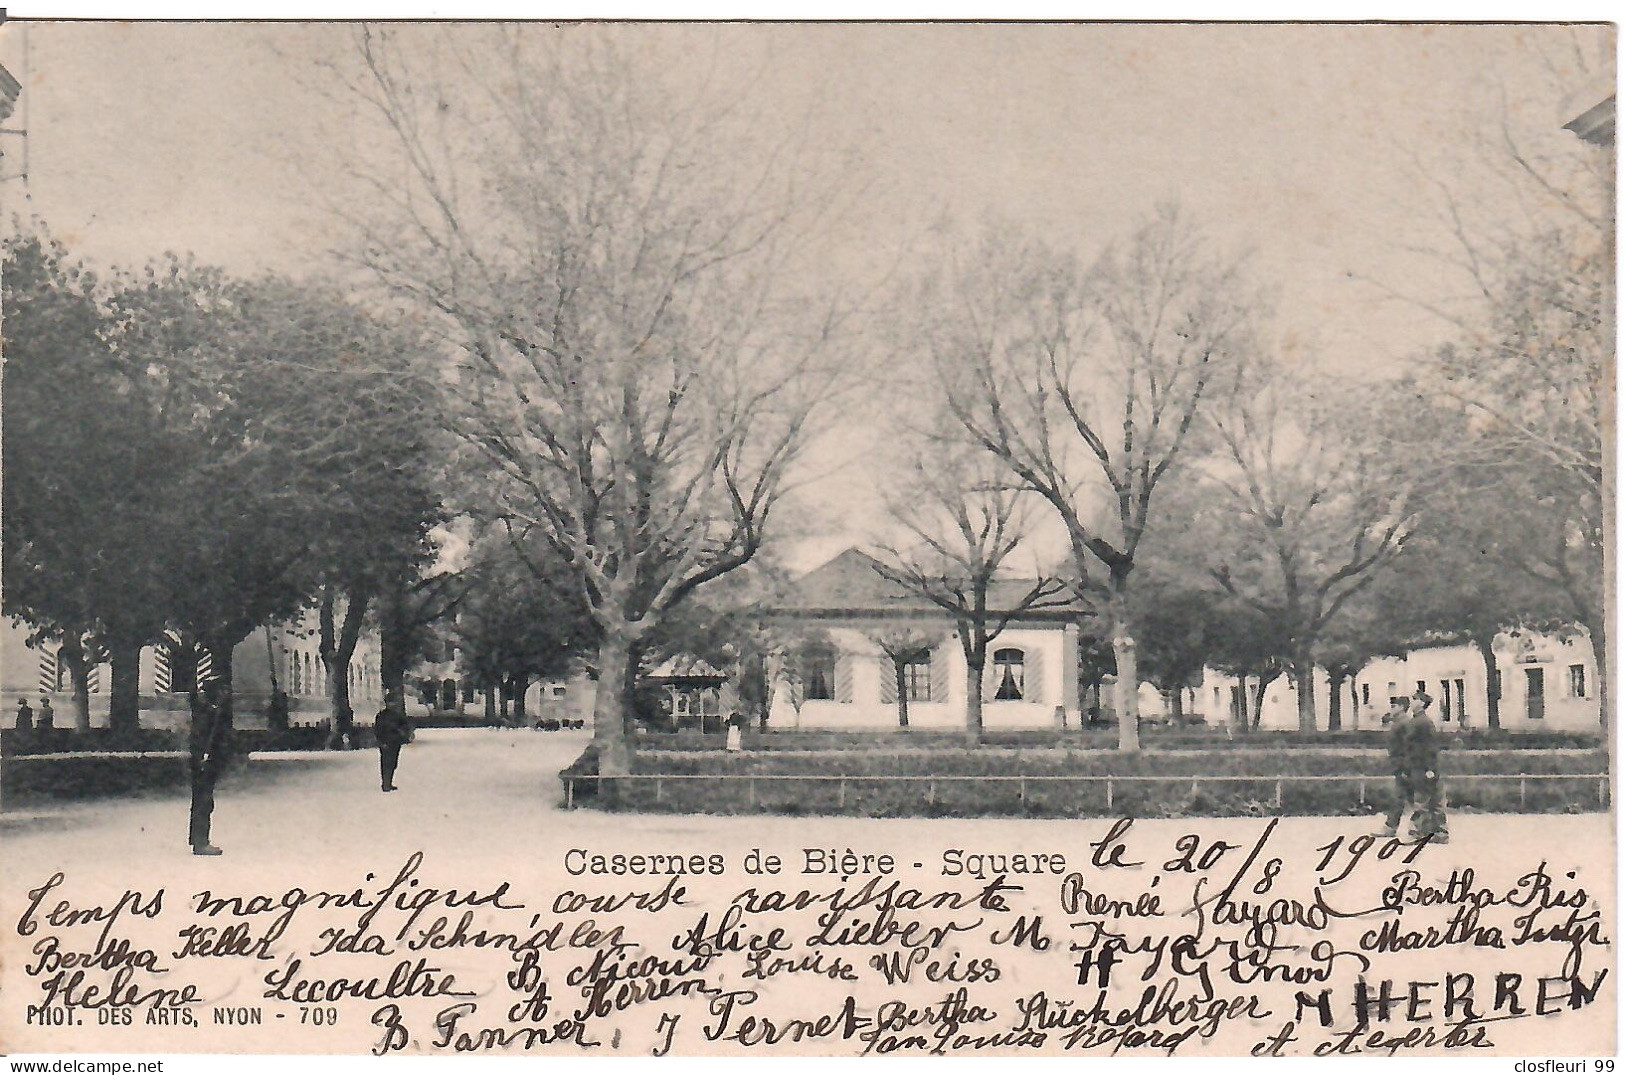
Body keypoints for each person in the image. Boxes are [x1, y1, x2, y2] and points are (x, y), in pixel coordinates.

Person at [1378, 694, 1449, 844]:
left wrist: (1430, 768)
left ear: (1422, 703)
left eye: (1415, 699)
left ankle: (1419, 832)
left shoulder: (1424, 722)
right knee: (1430, 800)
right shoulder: (1416, 721)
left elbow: (1430, 747)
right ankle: (1437, 833)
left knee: (1424, 801)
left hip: (1422, 767)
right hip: (1417, 766)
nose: (1412, 701)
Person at [188, 678, 234, 856]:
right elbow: (205, 738)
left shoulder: (207, 710)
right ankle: (201, 843)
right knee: (204, 801)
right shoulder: (211, 713)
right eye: (222, 690)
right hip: (204, 761)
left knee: (201, 800)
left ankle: (197, 839)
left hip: (201, 760)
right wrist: (204, 756)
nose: (226, 694)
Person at [375, 704, 412, 792]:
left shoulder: (397, 715)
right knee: (387, 763)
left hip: (395, 742)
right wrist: (381, 741)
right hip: (386, 742)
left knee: (393, 763)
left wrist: (404, 735)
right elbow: (378, 729)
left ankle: (388, 782)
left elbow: (405, 725)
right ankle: (386, 784)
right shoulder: (382, 715)